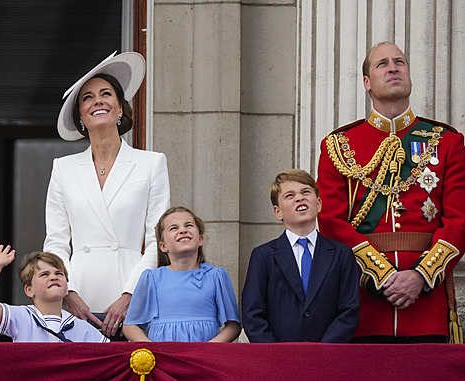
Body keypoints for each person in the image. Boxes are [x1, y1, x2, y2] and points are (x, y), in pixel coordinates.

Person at [317, 42, 465, 343]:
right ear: (367, 83)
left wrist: (420, 277)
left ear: (410, 76)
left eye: (399, 62)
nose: (393, 68)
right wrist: (383, 276)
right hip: (363, 306)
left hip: (426, 306)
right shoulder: (339, 145)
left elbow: (460, 222)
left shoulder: (447, 142)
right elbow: (332, 223)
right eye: (382, 64)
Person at [44, 51, 170, 339]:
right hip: (79, 298)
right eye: (87, 97)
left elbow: (157, 241)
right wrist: (68, 292)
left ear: (120, 108)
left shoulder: (151, 163)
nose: (97, 100)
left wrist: (130, 295)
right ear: (80, 116)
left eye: (106, 94)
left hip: (134, 297)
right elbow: (56, 242)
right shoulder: (63, 168)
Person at [241, 170, 359, 343]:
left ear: (318, 203)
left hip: (328, 356)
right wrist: (275, 354)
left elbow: (349, 310)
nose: (299, 198)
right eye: (290, 195)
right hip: (278, 358)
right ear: (278, 212)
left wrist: (323, 351)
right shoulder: (263, 256)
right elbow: (253, 313)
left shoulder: (341, 254)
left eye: (305, 192)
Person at [123, 207, 241, 342]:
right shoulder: (152, 278)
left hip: (204, 357)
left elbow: (233, 325)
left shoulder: (216, 276)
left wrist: (210, 348)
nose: (183, 230)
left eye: (189, 225)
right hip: (164, 358)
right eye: (173, 228)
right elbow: (129, 325)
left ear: (200, 239)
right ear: (163, 246)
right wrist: (153, 350)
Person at [0, 245, 108, 342]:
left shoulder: (82, 327)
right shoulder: (21, 317)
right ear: (29, 290)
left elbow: (110, 355)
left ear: (67, 288)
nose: (53, 277)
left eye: (59, 273)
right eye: (44, 274)